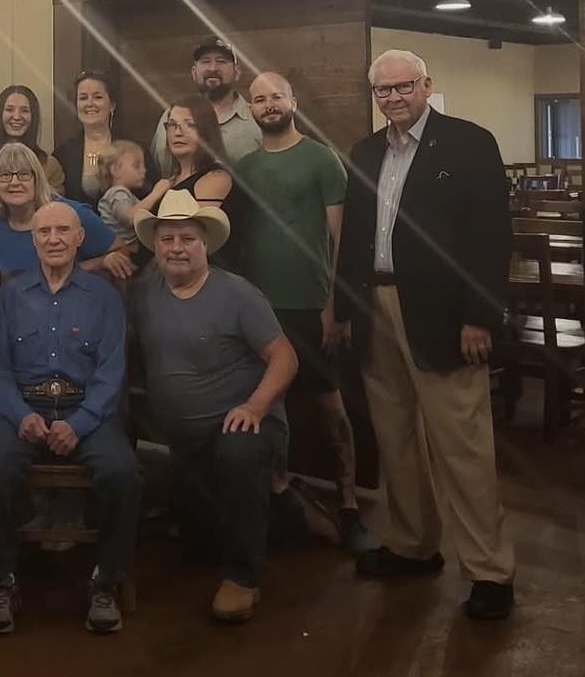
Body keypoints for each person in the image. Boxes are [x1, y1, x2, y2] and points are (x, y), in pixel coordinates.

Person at [336, 49, 515, 621]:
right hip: (377, 307)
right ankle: (414, 546)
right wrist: (344, 307)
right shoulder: (365, 151)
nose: (393, 97)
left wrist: (480, 316)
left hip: (445, 314)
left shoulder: (469, 143)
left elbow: (491, 236)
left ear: (426, 85)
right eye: (383, 90)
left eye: (403, 87)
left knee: (462, 445)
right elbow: (355, 238)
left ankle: (490, 571)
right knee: (395, 438)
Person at [0, 201, 141, 635]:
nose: (54, 239)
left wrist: (80, 423)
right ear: (33, 240)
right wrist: (20, 414)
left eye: (63, 231)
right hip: (23, 410)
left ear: (80, 237)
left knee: (123, 473)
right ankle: (1, 582)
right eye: (44, 232)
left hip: (86, 410)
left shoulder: (103, 296)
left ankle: (107, 580)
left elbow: (111, 372)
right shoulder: (10, 294)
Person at [131, 190, 297, 622]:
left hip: (241, 425)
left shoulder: (237, 294)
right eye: (167, 239)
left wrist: (256, 408)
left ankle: (244, 580)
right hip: (185, 441)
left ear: (205, 243)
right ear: (155, 246)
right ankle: (285, 511)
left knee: (239, 454)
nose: (176, 248)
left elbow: (285, 357)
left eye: (187, 238)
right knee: (197, 547)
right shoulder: (145, 292)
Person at [236, 72, 372, 553]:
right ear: (250, 108)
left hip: (312, 307)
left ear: (292, 101)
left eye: (276, 96)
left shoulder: (321, 159)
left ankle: (350, 505)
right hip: (259, 310)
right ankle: (281, 503)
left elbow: (342, 239)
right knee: (268, 412)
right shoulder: (244, 168)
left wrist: (336, 305)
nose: (268, 104)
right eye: (259, 99)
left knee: (330, 406)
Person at [0, 143, 133, 282]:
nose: (14, 182)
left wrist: (89, 266)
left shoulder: (72, 215)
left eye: (24, 174)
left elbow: (121, 251)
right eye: (5, 175)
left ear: (37, 179)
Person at [135, 91, 243, 273]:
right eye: (172, 125)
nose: (178, 132)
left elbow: (190, 240)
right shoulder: (168, 180)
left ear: (206, 131)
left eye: (189, 125)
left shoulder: (215, 178)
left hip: (199, 282)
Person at [151, 38, 262, 172]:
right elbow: (155, 169)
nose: (213, 68)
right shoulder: (170, 117)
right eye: (205, 61)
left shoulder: (256, 119)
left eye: (221, 61)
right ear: (194, 72)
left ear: (237, 72)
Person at [54, 70, 157, 209]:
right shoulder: (63, 154)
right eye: (83, 98)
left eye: (97, 97)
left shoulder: (133, 149)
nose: (90, 103)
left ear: (112, 105)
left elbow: (149, 194)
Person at [0, 85, 64, 193]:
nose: (17, 116)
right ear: (0, 114)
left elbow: (57, 206)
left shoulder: (49, 165)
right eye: (9, 109)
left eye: (24, 111)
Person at [96, 140, 147, 258]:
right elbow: (129, 217)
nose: (144, 170)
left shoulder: (124, 193)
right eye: (136, 165)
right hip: (124, 253)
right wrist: (156, 193)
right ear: (115, 170)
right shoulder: (117, 193)